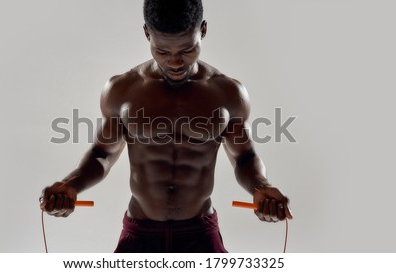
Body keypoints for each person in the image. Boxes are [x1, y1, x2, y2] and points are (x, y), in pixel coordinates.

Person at [40, 0, 293, 253]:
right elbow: (102, 154)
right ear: (147, 33)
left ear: (202, 30)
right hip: (140, 232)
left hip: (199, 234)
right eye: (162, 51)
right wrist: (70, 185)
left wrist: (262, 187)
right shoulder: (122, 90)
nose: (174, 62)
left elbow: (244, 158)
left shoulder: (228, 93)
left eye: (187, 50)